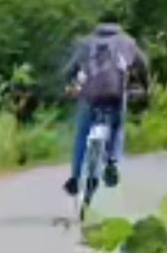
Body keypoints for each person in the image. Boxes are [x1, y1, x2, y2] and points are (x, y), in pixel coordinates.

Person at [65, 12, 151, 196]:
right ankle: (112, 162)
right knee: (117, 128)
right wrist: (145, 87)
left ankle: (74, 177)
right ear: (118, 24)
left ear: (98, 24)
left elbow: (70, 69)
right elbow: (143, 65)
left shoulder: (86, 42)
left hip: (89, 96)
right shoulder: (128, 42)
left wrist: (69, 85)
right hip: (116, 96)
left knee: (82, 133)